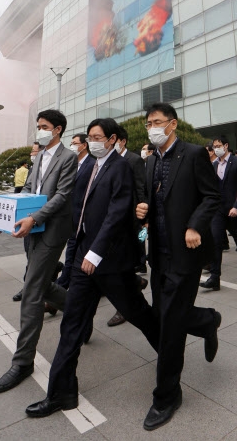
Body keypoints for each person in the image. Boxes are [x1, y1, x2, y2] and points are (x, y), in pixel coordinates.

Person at [24, 118, 160, 419]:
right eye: (90, 137)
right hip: (84, 257)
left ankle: (169, 352)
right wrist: (73, 251)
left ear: (112, 139)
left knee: (140, 314)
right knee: (71, 324)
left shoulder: (121, 167)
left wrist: (96, 253)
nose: (92, 141)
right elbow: (78, 209)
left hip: (110, 261)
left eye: (98, 137)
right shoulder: (86, 166)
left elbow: (116, 214)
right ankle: (61, 394)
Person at [136, 102, 221, 431]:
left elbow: (212, 196)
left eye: (157, 122)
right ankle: (205, 320)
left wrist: (194, 226)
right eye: (148, 124)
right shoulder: (149, 162)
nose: (152, 128)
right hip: (157, 252)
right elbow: (152, 199)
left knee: (170, 325)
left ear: (172, 124)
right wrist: (141, 209)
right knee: (164, 315)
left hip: (185, 252)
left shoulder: (193, 154)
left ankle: (167, 395)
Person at [0, 109, 77, 394]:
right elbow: (28, 189)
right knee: (42, 285)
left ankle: (23, 362)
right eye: (38, 126)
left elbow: (62, 196)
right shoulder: (39, 156)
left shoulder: (69, 158)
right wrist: (6, 218)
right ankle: (79, 309)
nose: (39, 130)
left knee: (31, 290)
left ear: (57, 130)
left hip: (52, 232)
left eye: (43, 126)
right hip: (33, 230)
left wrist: (35, 218)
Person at [104, 125, 149, 327]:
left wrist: (142, 219)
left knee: (127, 258)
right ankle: (136, 281)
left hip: (131, 218)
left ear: (121, 141)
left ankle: (123, 307)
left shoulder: (134, 160)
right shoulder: (106, 160)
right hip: (112, 217)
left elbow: (140, 187)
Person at [200, 135, 237, 290]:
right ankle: (214, 277)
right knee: (216, 242)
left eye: (218, 145)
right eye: (214, 146)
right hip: (218, 210)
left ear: (226, 145)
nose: (216, 149)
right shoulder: (213, 165)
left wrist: (236, 206)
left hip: (234, 209)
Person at [55, 133, 96, 290]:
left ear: (84, 145)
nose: (71, 146)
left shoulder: (92, 164)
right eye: (70, 143)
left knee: (72, 253)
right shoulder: (70, 164)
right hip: (67, 217)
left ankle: (61, 287)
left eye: (74, 143)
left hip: (82, 219)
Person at [12, 142, 41, 302]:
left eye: (34, 151)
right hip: (29, 217)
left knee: (35, 256)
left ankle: (28, 287)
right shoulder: (32, 168)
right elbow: (26, 189)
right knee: (29, 251)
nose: (32, 153)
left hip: (41, 218)